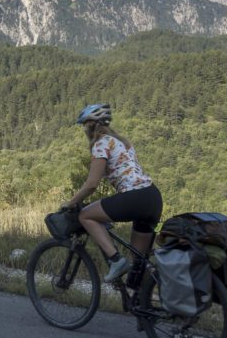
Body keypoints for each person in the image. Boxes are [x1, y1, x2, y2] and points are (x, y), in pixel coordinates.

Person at [60, 103, 163, 282]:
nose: (84, 130)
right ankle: (143, 302)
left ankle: (116, 260)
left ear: (90, 125)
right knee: (139, 259)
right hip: (152, 196)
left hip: (134, 197)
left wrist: (71, 202)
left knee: (85, 216)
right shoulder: (124, 142)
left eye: (85, 125)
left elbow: (92, 184)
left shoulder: (101, 144)